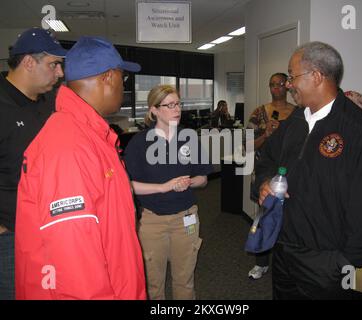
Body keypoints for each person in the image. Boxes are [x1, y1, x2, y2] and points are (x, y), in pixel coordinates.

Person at [255, 41, 362, 299]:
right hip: (285, 249)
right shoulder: (295, 121)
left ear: (316, 76)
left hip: (326, 262)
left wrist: (343, 262)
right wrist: (264, 181)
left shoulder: (360, 132)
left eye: (292, 76)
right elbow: (267, 159)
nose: (288, 84)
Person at [15, 36, 146, 299]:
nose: (124, 87)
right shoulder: (70, 146)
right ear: (108, 77)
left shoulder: (89, 136)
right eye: (123, 78)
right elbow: (75, 270)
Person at [124, 85, 213, 300]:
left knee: (184, 280)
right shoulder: (139, 143)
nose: (177, 109)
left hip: (186, 218)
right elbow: (129, 185)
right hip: (152, 221)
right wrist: (163, 187)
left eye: (178, 104)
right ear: (154, 110)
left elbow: (203, 178)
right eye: (169, 105)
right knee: (154, 284)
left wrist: (190, 182)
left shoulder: (189, 137)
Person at [0, 27, 66, 300]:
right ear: (29, 62)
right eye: (54, 65)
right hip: (10, 239)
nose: (60, 73)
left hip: (51, 230)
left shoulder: (50, 102)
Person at [246, 73, 295, 280]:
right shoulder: (259, 113)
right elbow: (246, 145)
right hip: (266, 173)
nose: (276, 88)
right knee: (264, 218)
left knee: (291, 219)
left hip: (290, 174)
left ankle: (289, 263)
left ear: (288, 86)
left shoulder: (298, 113)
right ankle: (261, 263)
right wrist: (265, 135)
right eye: (272, 85)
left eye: (280, 84)